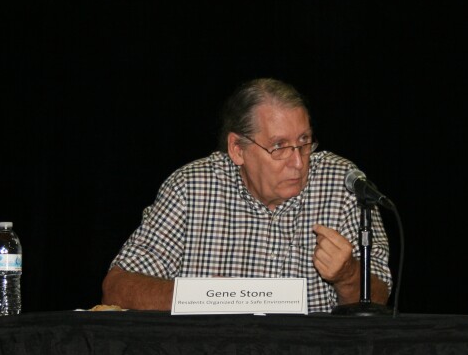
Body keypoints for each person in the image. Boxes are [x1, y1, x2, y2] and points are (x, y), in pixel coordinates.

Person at [101, 77, 392, 312]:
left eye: (304, 142)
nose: (298, 162)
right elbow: (117, 287)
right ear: (237, 150)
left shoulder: (342, 185)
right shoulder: (191, 188)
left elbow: (380, 298)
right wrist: (209, 297)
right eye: (279, 146)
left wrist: (348, 275)